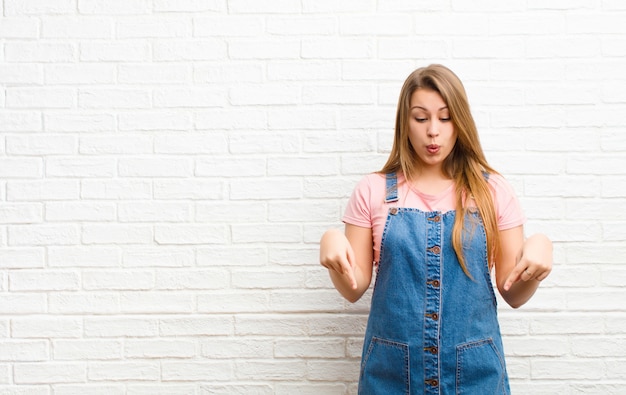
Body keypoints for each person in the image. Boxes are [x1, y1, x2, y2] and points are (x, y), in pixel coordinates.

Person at [319, 64, 553, 394]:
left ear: (460, 121)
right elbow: (353, 287)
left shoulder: (493, 192)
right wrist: (332, 245)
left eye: (445, 118)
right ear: (405, 122)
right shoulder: (372, 191)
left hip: (476, 377)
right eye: (421, 118)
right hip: (391, 376)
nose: (433, 131)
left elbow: (513, 292)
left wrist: (539, 253)